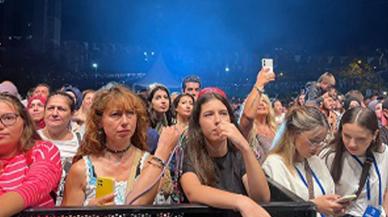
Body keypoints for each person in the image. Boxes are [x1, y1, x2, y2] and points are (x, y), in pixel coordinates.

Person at [62, 85, 180, 206]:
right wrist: (88, 210)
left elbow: (140, 206)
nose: (125, 122)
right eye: (115, 114)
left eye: (130, 113)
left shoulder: (149, 164)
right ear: (99, 121)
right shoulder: (81, 169)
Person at [180, 90, 271, 217]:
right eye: (208, 114)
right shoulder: (191, 151)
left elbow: (261, 197)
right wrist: (241, 201)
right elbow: (193, 192)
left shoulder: (238, 153)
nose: (217, 120)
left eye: (223, 113)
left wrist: (245, 148)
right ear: (198, 124)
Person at [262, 106, 348, 217]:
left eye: (321, 142)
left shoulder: (316, 161)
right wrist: (313, 206)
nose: (317, 148)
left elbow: (328, 192)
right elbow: (282, 211)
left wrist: (335, 205)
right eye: (313, 141)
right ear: (293, 134)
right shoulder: (274, 165)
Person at [0, 93, 62, 217]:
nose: (0, 126)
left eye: (8, 118)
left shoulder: (42, 150)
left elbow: (34, 188)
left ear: (24, 122)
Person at [320, 107, 388, 216]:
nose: (352, 144)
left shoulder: (384, 154)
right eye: (346, 136)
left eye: (361, 139)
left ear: (374, 135)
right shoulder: (329, 156)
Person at [38, 91, 81, 205]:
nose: (54, 113)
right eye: (51, 108)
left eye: (61, 109)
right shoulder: (31, 139)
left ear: (72, 114)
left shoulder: (82, 142)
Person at [239, 68, 276, 163]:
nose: (261, 103)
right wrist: (259, 83)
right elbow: (247, 116)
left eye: (264, 101)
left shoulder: (277, 128)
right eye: (258, 101)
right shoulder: (247, 130)